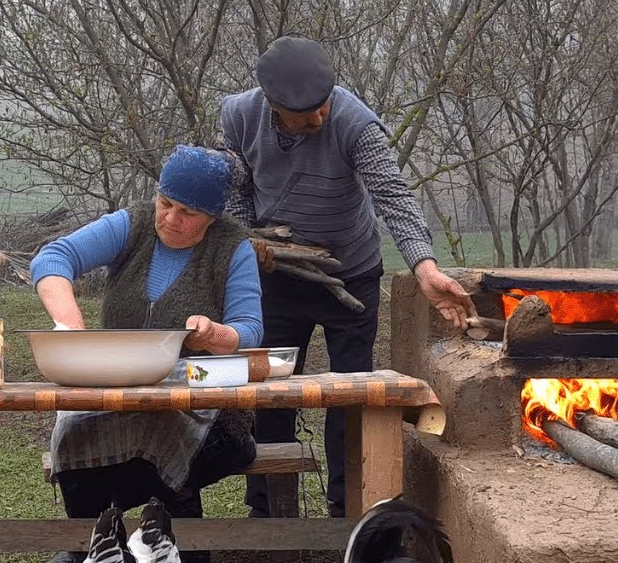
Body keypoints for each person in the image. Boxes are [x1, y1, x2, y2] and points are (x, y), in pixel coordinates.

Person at [220, 34, 473, 518]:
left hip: (350, 274)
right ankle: (272, 513)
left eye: (324, 105)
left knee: (349, 394)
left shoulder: (355, 123)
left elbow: (394, 198)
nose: (320, 117)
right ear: (272, 104)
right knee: (270, 396)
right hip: (277, 278)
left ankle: (349, 508)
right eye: (305, 112)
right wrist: (246, 240)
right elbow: (235, 186)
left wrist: (425, 267)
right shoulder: (237, 116)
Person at [30, 144, 264, 563]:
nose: (171, 218)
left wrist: (214, 335)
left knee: (168, 437)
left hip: (206, 404)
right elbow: (53, 257)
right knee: (75, 427)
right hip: (120, 395)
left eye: (188, 213)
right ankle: (91, 541)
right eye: (165, 203)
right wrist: (72, 328)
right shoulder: (131, 226)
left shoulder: (233, 248)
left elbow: (250, 330)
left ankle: (165, 546)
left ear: (212, 218)